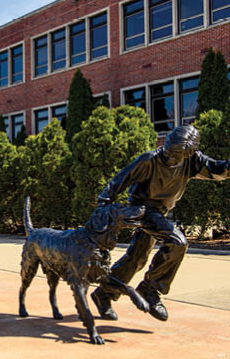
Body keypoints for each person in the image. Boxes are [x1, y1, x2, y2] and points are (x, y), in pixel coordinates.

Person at [91, 124, 230, 321]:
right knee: (177, 242)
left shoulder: (192, 161)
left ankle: (104, 293)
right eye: (167, 152)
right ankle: (150, 288)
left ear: (187, 154)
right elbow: (119, 181)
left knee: (136, 259)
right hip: (143, 209)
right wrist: (103, 205)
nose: (169, 158)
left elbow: (218, 169)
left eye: (175, 157)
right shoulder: (150, 160)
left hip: (161, 212)